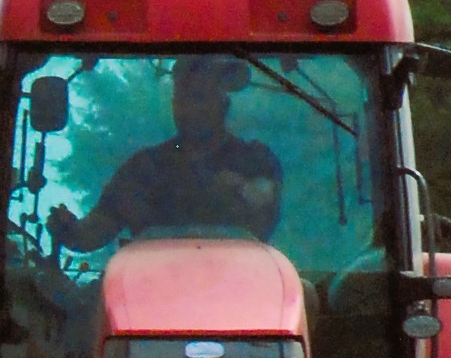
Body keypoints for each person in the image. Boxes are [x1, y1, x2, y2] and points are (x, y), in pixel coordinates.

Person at [49, 55, 280, 255]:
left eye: (198, 98)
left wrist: (233, 193)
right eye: (181, 98)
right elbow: (100, 226)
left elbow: (261, 222)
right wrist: (70, 231)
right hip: (149, 292)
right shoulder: (145, 168)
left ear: (223, 103)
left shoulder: (254, 162)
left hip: (240, 289)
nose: (188, 109)